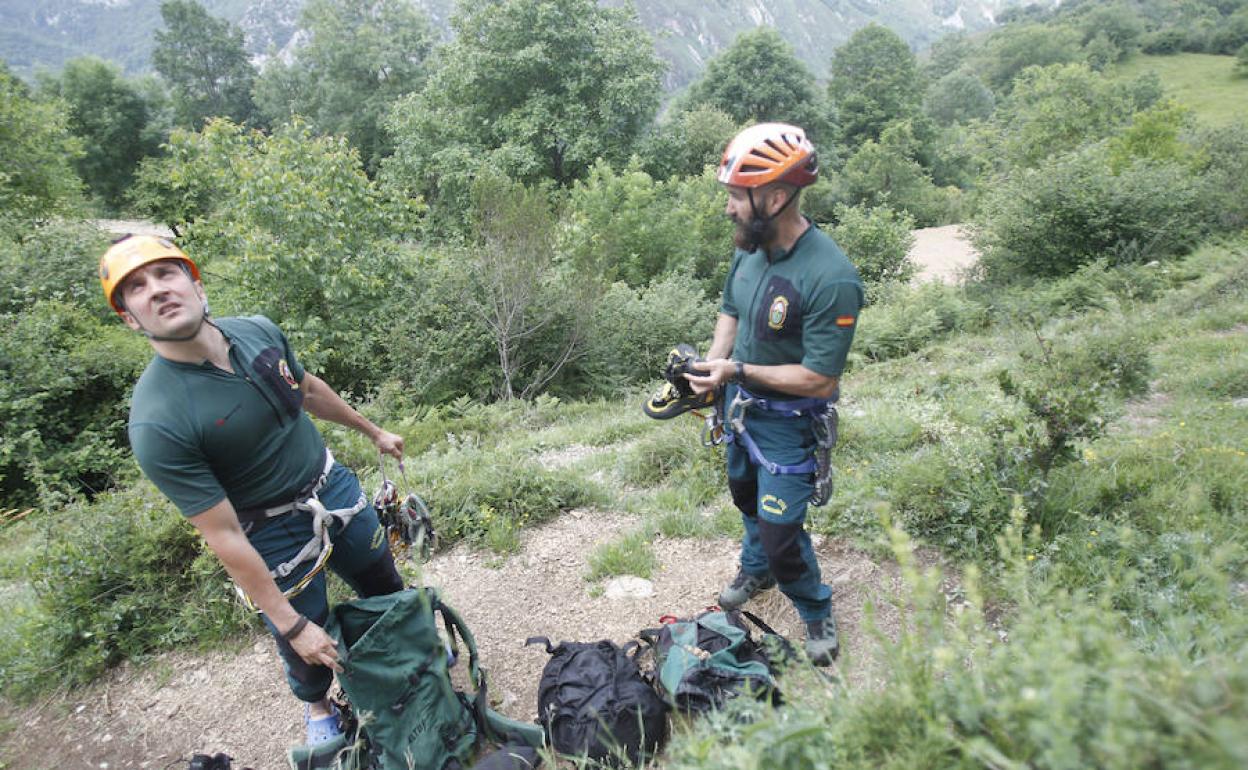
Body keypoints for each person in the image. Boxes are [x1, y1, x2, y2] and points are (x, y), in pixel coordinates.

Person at [98, 234, 406, 743]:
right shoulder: (158, 420)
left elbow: (305, 389)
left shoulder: (257, 331)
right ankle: (317, 708)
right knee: (307, 646)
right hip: (268, 534)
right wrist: (288, 623)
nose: (156, 290)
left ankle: (404, 653)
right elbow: (224, 537)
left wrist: (373, 432)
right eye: (136, 287)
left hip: (333, 489)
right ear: (130, 317)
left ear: (195, 284)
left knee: (385, 586)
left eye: (166, 273)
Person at [686, 123, 864, 666]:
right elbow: (732, 310)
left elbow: (820, 379)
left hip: (788, 425)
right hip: (740, 411)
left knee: (783, 533)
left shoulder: (831, 277)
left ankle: (815, 610)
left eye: (738, 196)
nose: (728, 208)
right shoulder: (749, 249)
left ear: (777, 196)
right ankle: (756, 566)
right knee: (745, 498)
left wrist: (734, 370)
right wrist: (714, 365)